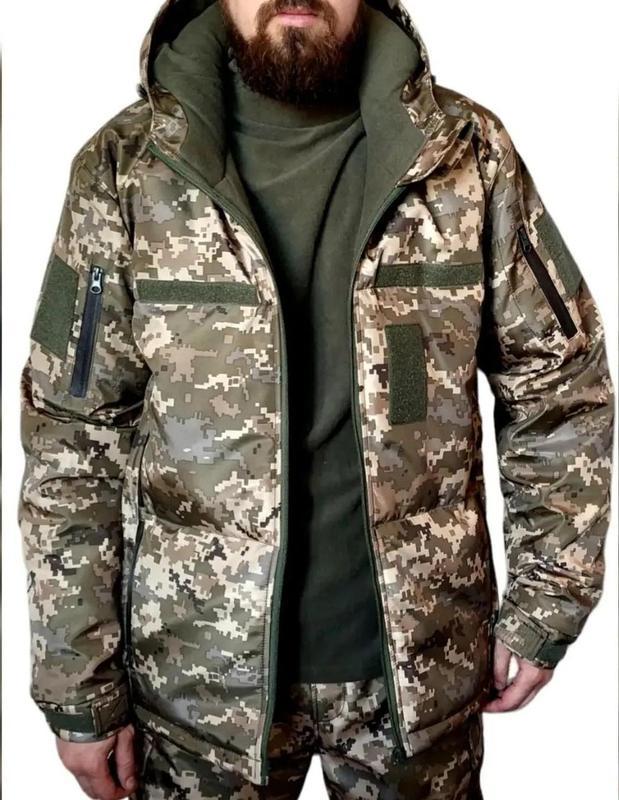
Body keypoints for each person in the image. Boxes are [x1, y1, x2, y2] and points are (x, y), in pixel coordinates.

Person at [17, 1, 615, 798]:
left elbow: (558, 384)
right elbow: (72, 432)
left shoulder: (464, 154)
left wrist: (547, 601)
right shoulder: (126, 167)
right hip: (195, 693)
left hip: (416, 682)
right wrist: (78, 684)